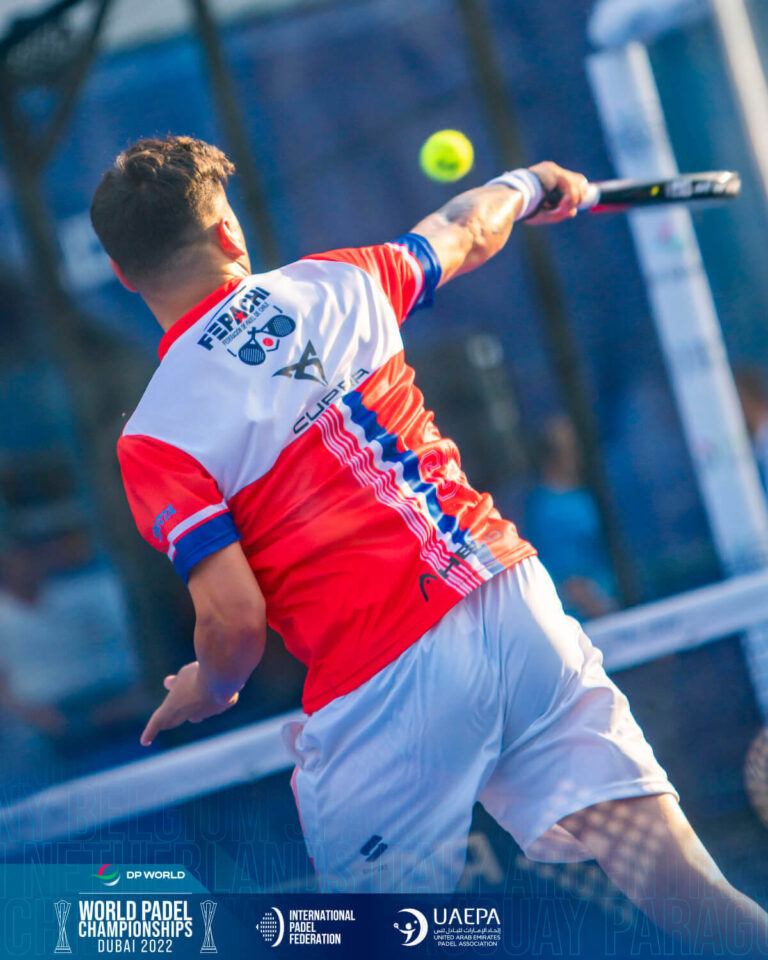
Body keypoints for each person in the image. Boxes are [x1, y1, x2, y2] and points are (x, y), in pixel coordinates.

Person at [90, 136, 767, 946]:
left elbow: (233, 621)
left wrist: (210, 685)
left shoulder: (156, 437)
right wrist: (531, 183)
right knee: (682, 887)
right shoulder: (341, 280)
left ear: (124, 275)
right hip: (515, 610)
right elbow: (465, 227)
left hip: (385, 688)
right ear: (227, 232)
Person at [525, 415, 618, 619]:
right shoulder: (547, 511)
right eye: (571, 451)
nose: (579, 456)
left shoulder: (587, 491)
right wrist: (614, 616)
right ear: (551, 459)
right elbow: (572, 583)